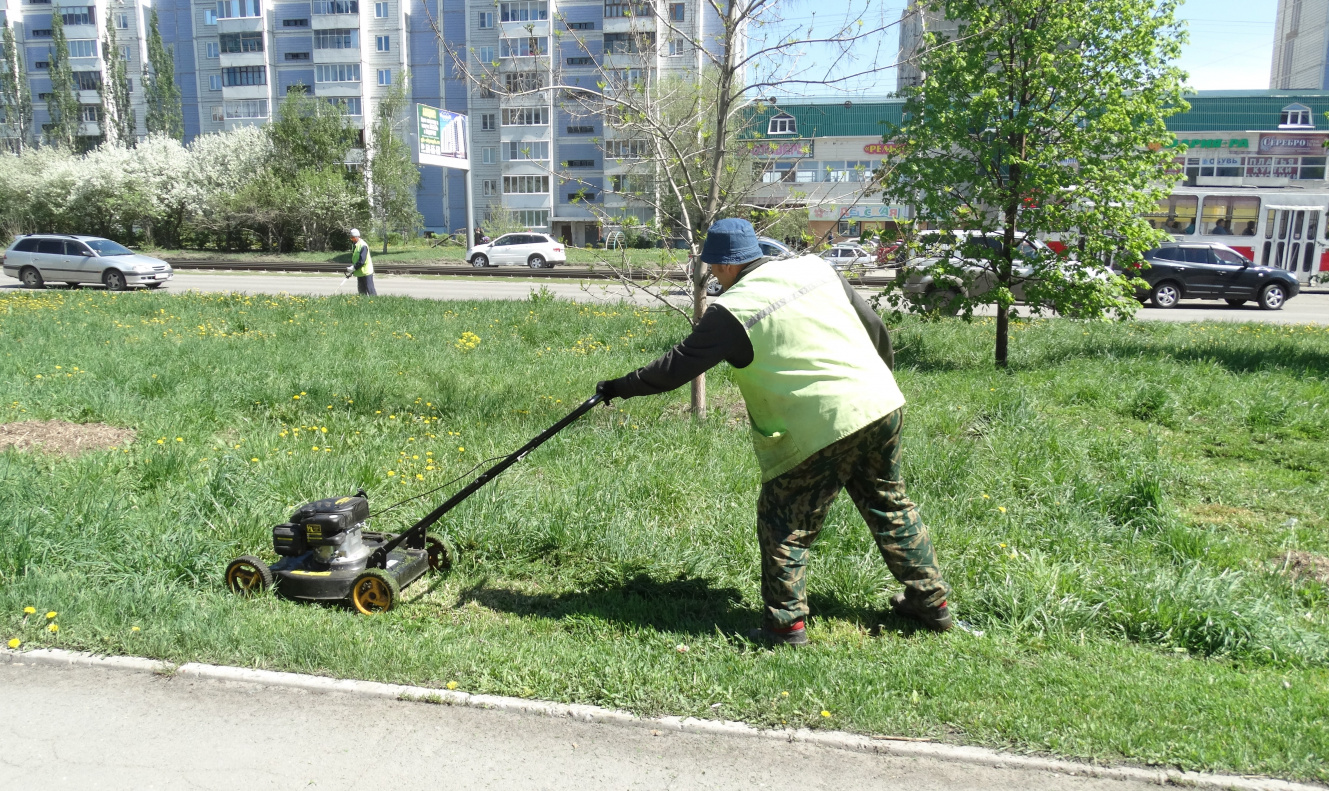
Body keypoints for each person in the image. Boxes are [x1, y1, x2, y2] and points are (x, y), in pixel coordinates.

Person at [595, 218, 952, 646]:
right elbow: (876, 328)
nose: (714, 279)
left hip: (820, 423)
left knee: (785, 520)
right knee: (889, 504)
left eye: (713, 270)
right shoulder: (816, 268)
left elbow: (675, 369)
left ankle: (786, 626)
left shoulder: (733, 309)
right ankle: (932, 605)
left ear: (724, 266)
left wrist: (618, 387)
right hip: (880, 404)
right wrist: (877, 384)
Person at [346, 229, 376, 295]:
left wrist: (354, 267)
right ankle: (363, 303)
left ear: (358, 236)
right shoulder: (355, 245)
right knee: (361, 291)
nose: (352, 239)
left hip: (366, 272)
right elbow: (355, 259)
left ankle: (375, 302)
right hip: (359, 272)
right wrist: (353, 269)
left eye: (353, 238)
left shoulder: (363, 246)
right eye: (351, 238)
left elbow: (362, 261)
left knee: (370, 290)